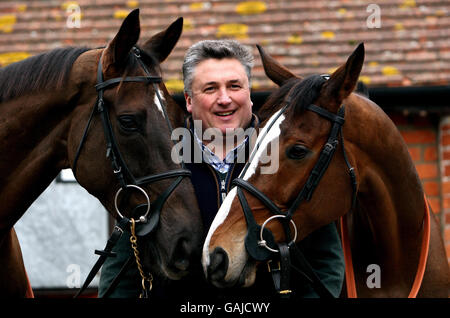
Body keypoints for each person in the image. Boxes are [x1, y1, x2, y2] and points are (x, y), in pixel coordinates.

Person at [98, 39, 345, 299]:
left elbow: (325, 265)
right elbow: (123, 269)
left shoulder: (288, 158)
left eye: (235, 86)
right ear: (189, 101)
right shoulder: (158, 162)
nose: (225, 99)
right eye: (210, 88)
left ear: (249, 95)